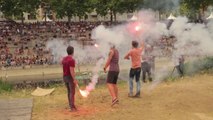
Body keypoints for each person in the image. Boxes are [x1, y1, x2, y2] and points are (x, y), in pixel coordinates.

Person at [62, 46, 78, 111]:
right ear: (73, 51)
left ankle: (70, 105)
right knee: (72, 92)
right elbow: (71, 70)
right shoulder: (71, 60)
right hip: (69, 77)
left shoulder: (64, 59)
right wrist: (74, 79)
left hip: (65, 76)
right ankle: (72, 107)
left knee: (69, 91)